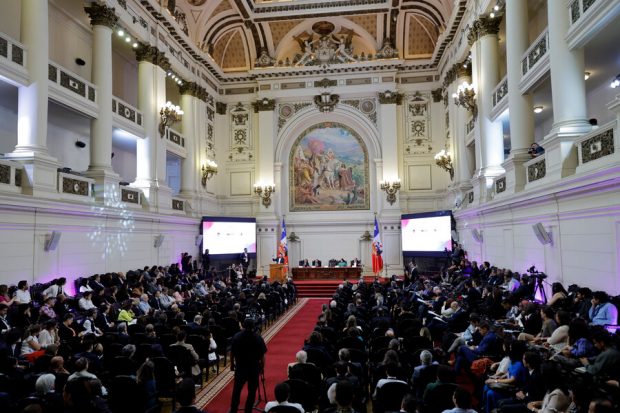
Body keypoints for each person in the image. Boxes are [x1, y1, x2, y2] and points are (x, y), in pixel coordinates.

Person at [230, 318, 267, 413]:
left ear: (243, 325)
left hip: (240, 367)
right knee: (252, 391)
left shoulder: (236, 336)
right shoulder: (258, 338)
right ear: (253, 326)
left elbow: (232, 353)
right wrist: (262, 367)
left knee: (236, 391)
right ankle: (248, 410)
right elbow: (262, 356)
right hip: (253, 368)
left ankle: (233, 410)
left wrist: (231, 364)